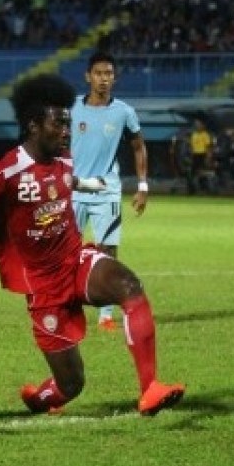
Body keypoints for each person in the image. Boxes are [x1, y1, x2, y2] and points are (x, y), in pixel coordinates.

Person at [0, 74, 184, 417]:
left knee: (129, 286)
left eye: (68, 123)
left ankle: (150, 389)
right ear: (34, 125)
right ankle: (38, 399)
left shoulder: (65, 159)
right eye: (59, 123)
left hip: (76, 260)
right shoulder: (8, 171)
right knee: (72, 385)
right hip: (43, 286)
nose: (66, 131)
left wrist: (95, 185)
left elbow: (69, 181)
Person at [70, 51, 149, 332]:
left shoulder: (124, 112)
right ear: (88, 77)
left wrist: (142, 186)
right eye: (99, 73)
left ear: (114, 78)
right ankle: (67, 305)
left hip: (107, 191)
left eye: (109, 74)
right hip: (73, 190)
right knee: (66, 250)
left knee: (107, 250)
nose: (104, 79)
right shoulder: (71, 109)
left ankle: (105, 314)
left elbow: (139, 147)